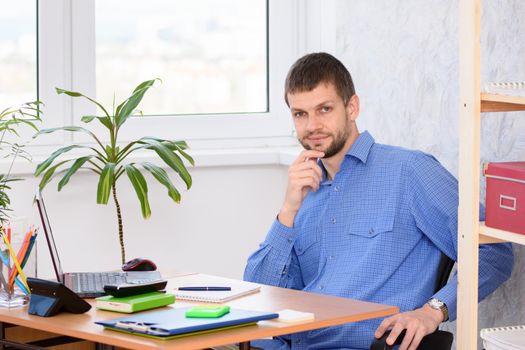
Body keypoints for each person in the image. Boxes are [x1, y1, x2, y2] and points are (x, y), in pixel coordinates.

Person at [243, 52, 513, 350]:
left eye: (324, 109)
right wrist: (289, 209)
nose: (312, 125)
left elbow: (493, 250)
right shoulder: (303, 191)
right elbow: (259, 295)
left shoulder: (409, 171)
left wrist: (433, 310)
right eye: (300, 114)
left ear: (352, 107)